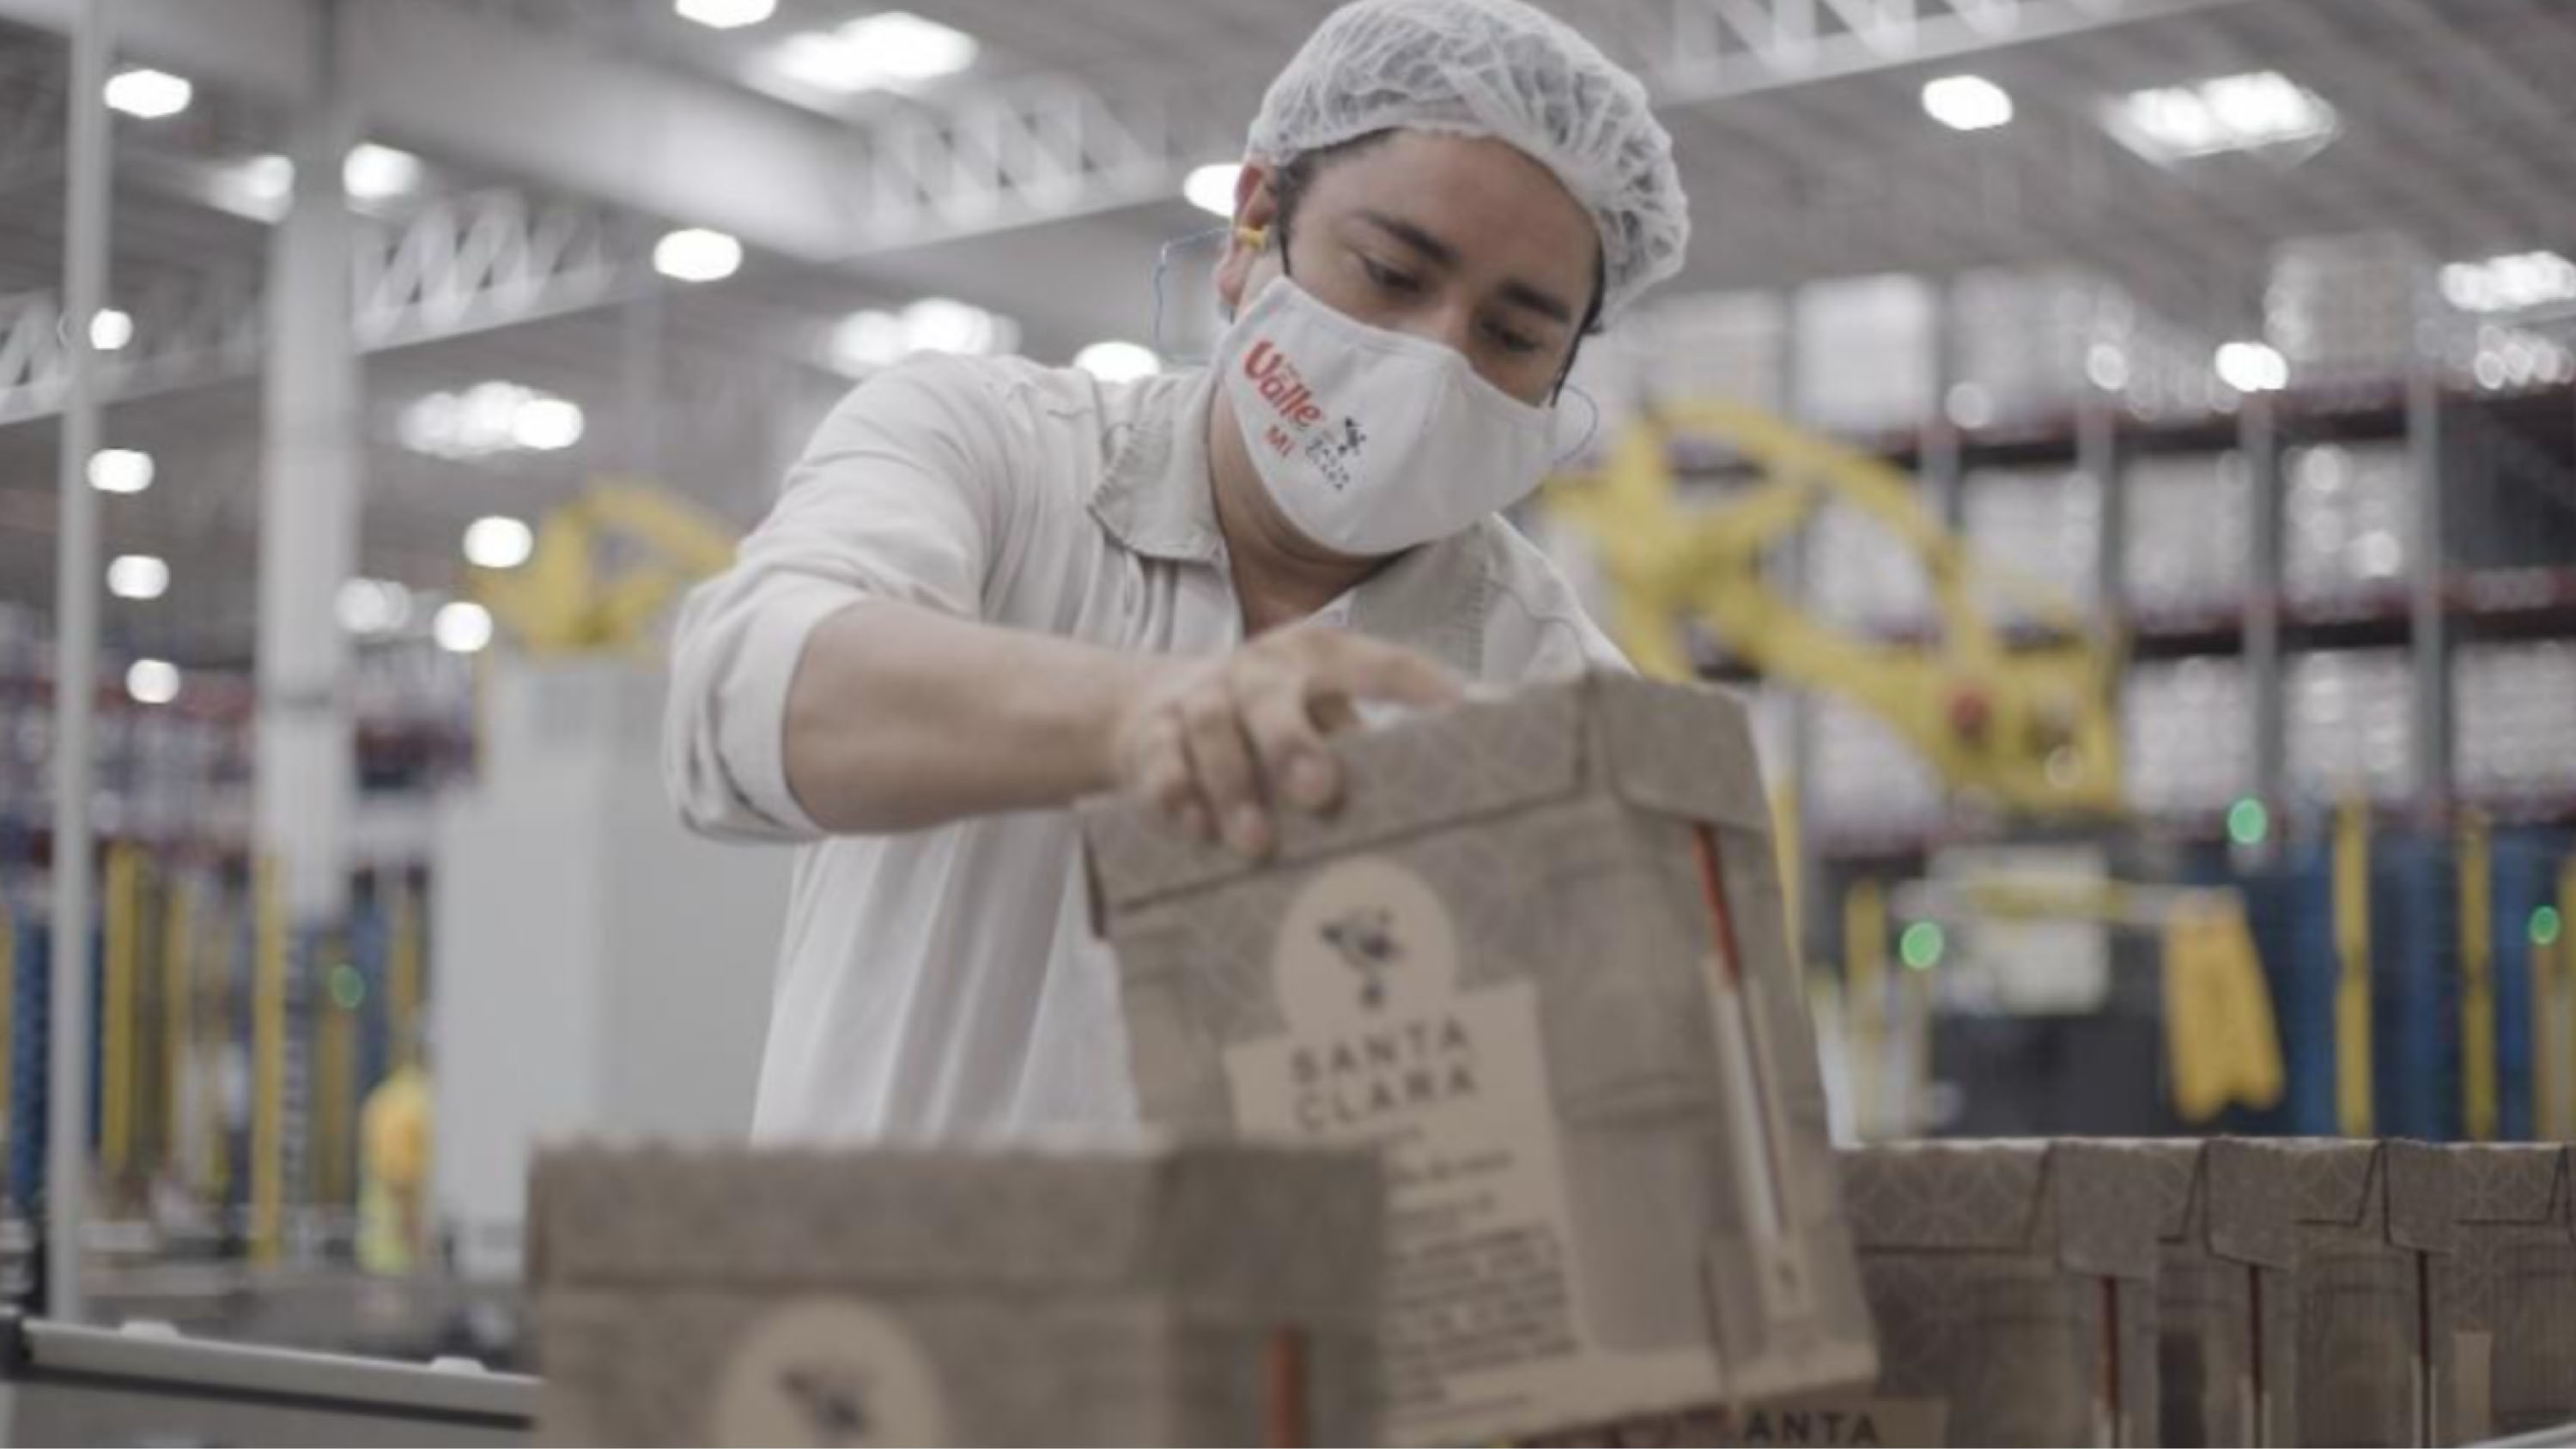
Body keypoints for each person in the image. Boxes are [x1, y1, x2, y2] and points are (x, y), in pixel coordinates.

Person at [665, 0, 1690, 1140]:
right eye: (1393, 274)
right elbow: (742, 697)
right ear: (1254, 226)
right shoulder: (990, 451)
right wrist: (1150, 712)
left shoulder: (1565, 706)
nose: (1431, 367)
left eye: (1511, 338)